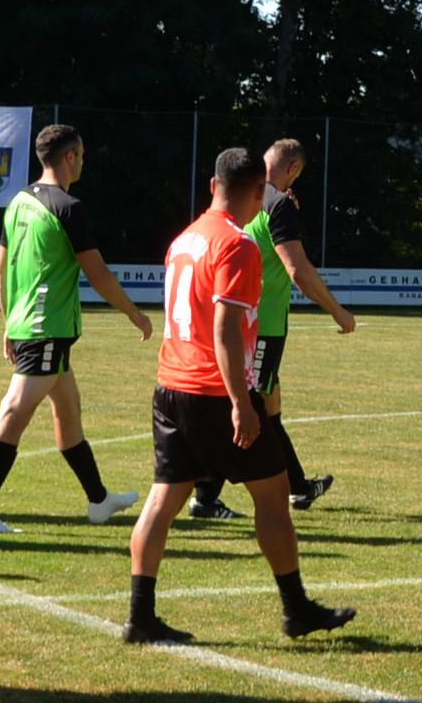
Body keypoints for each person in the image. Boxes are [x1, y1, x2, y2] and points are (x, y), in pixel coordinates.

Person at [119, 146, 353, 647]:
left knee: (163, 500)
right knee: (273, 500)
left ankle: (140, 615)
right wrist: (241, 404)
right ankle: (296, 610)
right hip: (211, 391)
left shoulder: (184, 240)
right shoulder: (239, 245)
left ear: (211, 186)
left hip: (170, 386)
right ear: (256, 193)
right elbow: (225, 331)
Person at [0, 122, 148, 536]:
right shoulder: (68, 207)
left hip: (33, 326)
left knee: (68, 411)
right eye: (80, 154)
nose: (82, 161)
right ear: (69, 158)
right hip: (46, 328)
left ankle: (99, 500)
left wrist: (9, 322)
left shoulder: (18, 202)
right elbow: (98, 275)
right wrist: (135, 314)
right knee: (14, 410)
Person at [187, 135, 351, 520]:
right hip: (262, 327)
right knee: (251, 408)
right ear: (292, 169)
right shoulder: (278, 204)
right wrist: (337, 310)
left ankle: (298, 487)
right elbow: (298, 269)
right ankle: (205, 496)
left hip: (240, 320)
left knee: (269, 405)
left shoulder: (247, 200)